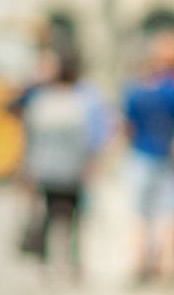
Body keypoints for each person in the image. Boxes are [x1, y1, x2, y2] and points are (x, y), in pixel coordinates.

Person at [14, 48, 110, 279]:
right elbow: (91, 137)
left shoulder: (41, 101)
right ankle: (73, 262)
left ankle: (45, 263)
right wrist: (92, 162)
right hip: (72, 169)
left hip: (45, 168)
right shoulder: (83, 100)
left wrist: (26, 167)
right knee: (74, 217)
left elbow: (30, 136)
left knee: (47, 214)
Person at [121, 28, 174, 281]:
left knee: (140, 214)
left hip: (141, 155)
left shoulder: (134, 90)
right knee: (170, 214)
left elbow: (127, 126)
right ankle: (168, 265)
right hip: (170, 157)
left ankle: (139, 263)